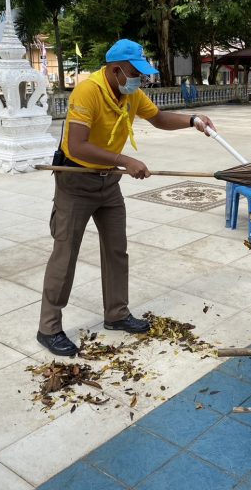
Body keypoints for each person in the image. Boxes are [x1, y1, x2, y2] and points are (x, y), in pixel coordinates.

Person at [37, 39, 215, 357]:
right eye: (135, 73)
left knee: (116, 250)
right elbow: (77, 146)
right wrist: (125, 160)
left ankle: (116, 313)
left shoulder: (130, 93)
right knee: (65, 254)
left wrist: (193, 121)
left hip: (108, 182)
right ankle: (48, 328)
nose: (140, 79)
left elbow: (158, 118)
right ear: (116, 69)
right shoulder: (88, 92)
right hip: (75, 181)